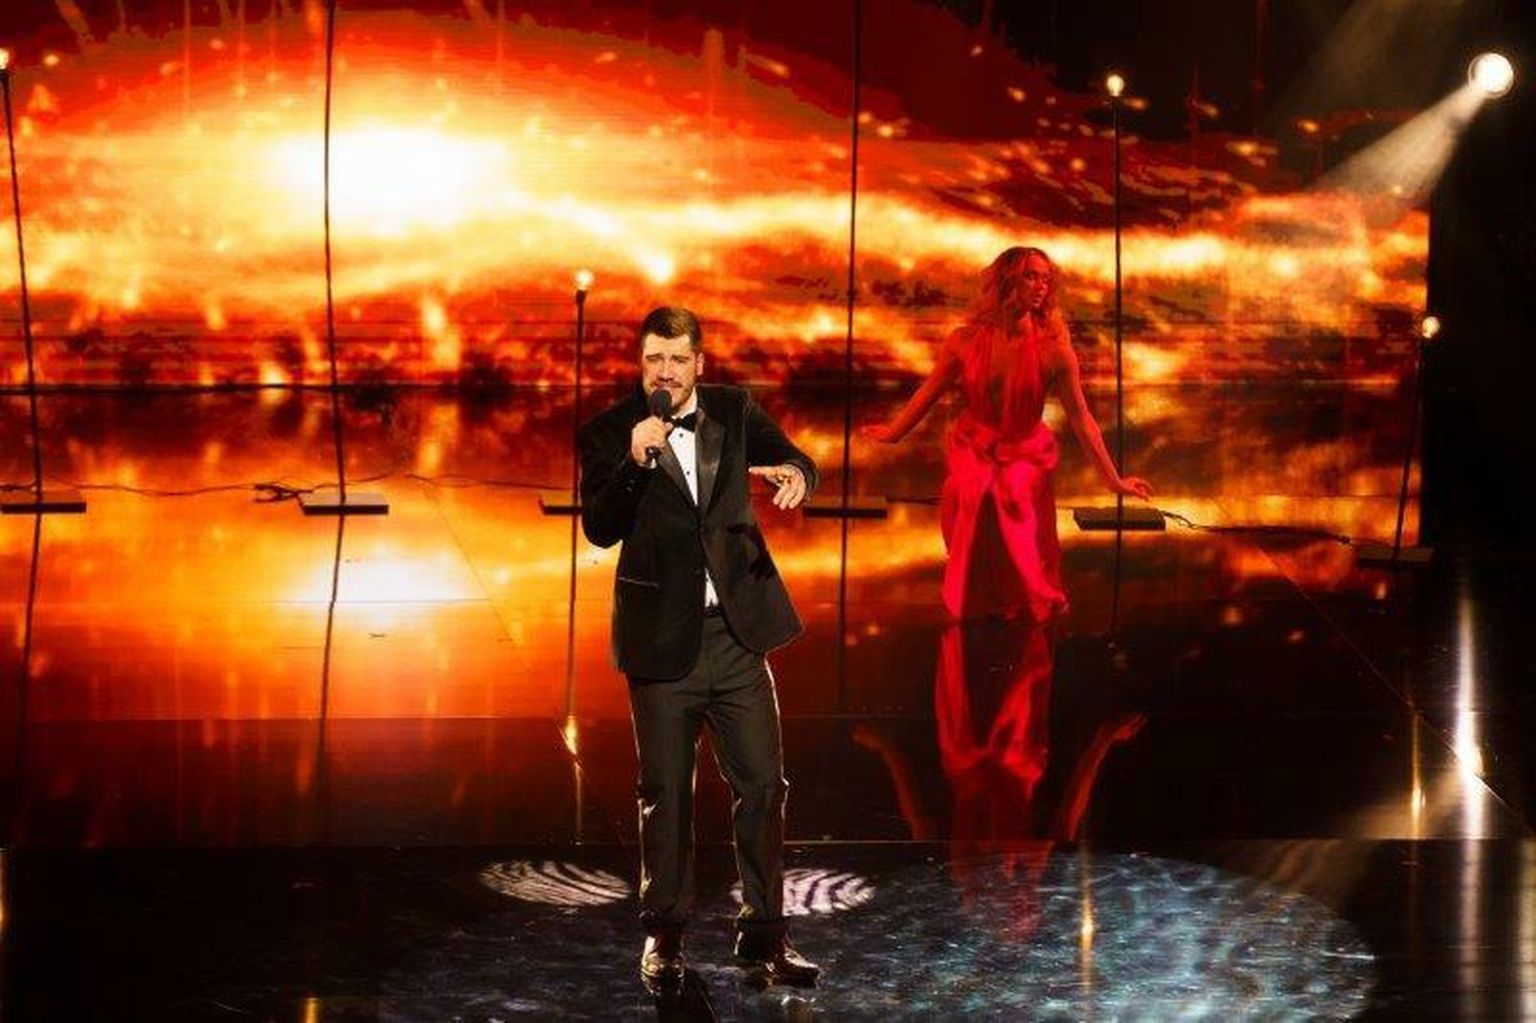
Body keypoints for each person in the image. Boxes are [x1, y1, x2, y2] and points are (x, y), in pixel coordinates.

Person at [578, 306, 821, 992]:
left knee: (764, 786)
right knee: (666, 796)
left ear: (699, 363)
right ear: (641, 363)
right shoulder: (610, 432)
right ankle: (664, 937)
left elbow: (798, 457)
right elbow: (600, 526)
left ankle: (765, 938)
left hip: (737, 636)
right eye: (654, 359)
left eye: (678, 360)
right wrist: (634, 462)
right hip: (661, 643)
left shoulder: (732, 411)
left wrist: (798, 474)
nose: (665, 372)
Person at [865, 246, 1152, 621]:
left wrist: (1113, 481)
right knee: (974, 490)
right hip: (975, 444)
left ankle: (1019, 595)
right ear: (1006, 281)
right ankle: (979, 595)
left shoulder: (1054, 351)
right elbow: (929, 391)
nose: (1041, 286)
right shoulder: (964, 341)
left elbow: (1081, 417)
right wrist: (894, 432)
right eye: (1031, 276)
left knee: (1010, 495)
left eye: (1046, 279)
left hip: (1025, 450)